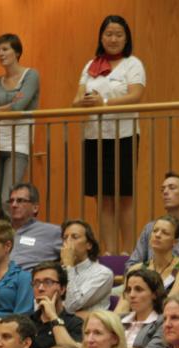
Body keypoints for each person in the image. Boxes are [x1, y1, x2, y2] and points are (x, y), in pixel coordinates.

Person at [77, 15, 146, 254]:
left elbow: (136, 96)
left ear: (126, 38)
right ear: (101, 37)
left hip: (123, 136)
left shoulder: (133, 63)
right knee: (102, 197)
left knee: (123, 196)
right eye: (108, 34)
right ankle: (109, 252)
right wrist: (85, 102)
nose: (113, 39)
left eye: (118, 34)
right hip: (94, 136)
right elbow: (76, 100)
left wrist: (103, 103)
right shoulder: (91, 65)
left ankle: (128, 252)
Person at [0, 33, 40, 215]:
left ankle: (14, 242)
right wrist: (8, 107)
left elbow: (19, 108)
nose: (0, 53)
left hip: (19, 144)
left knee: (8, 199)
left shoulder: (30, 75)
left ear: (17, 52)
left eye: (5, 49)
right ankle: (2, 241)